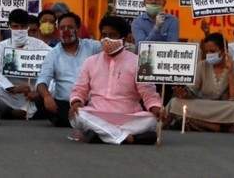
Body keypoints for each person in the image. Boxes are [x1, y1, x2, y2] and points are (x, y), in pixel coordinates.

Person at [68, 15, 163, 145]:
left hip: (128, 117)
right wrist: (76, 103)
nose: (107, 39)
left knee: (152, 120)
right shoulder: (90, 62)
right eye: (104, 35)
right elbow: (80, 89)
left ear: (124, 38)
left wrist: (156, 108)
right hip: (97, 114)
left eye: (112, 35)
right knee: (78, 115)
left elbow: (149, 94)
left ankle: (103, 135)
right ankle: (125, 137)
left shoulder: (140, 62)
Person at [34, 12, 102, 127]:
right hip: (64, 104)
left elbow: (112, 50)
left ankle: (79, 119)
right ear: (57, 30)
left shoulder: (93, 47)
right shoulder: (53, 54)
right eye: (62, 28)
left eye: (70, 27)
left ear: (78, 29)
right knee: (40, 99)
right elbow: (42, 80)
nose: (65, 31)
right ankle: (84, 120)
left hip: (90, 102)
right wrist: (46, 96)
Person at [167, 32, 234, 132]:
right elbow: (192, 90)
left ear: (223, 51)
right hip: (204, 106)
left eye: (212, 51)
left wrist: (230, 73)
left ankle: (196, 122)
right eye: (206, 52)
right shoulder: (202, 65)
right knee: (175, 102)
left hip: (224, 108)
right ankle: (214, 126)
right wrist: (184, 94)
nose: (209, 55)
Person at [0, 9, 52, 120]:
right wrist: (13, 88)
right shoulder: (1, 47)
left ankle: (16, 113)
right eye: (15, 26)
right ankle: (11, 112)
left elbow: (51, 70)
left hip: (33, 95)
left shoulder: (41, 46)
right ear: (9, 26)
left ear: (28, 27)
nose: (19, 30)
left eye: (23, 26)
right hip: (9, 94)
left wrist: (39, 92)